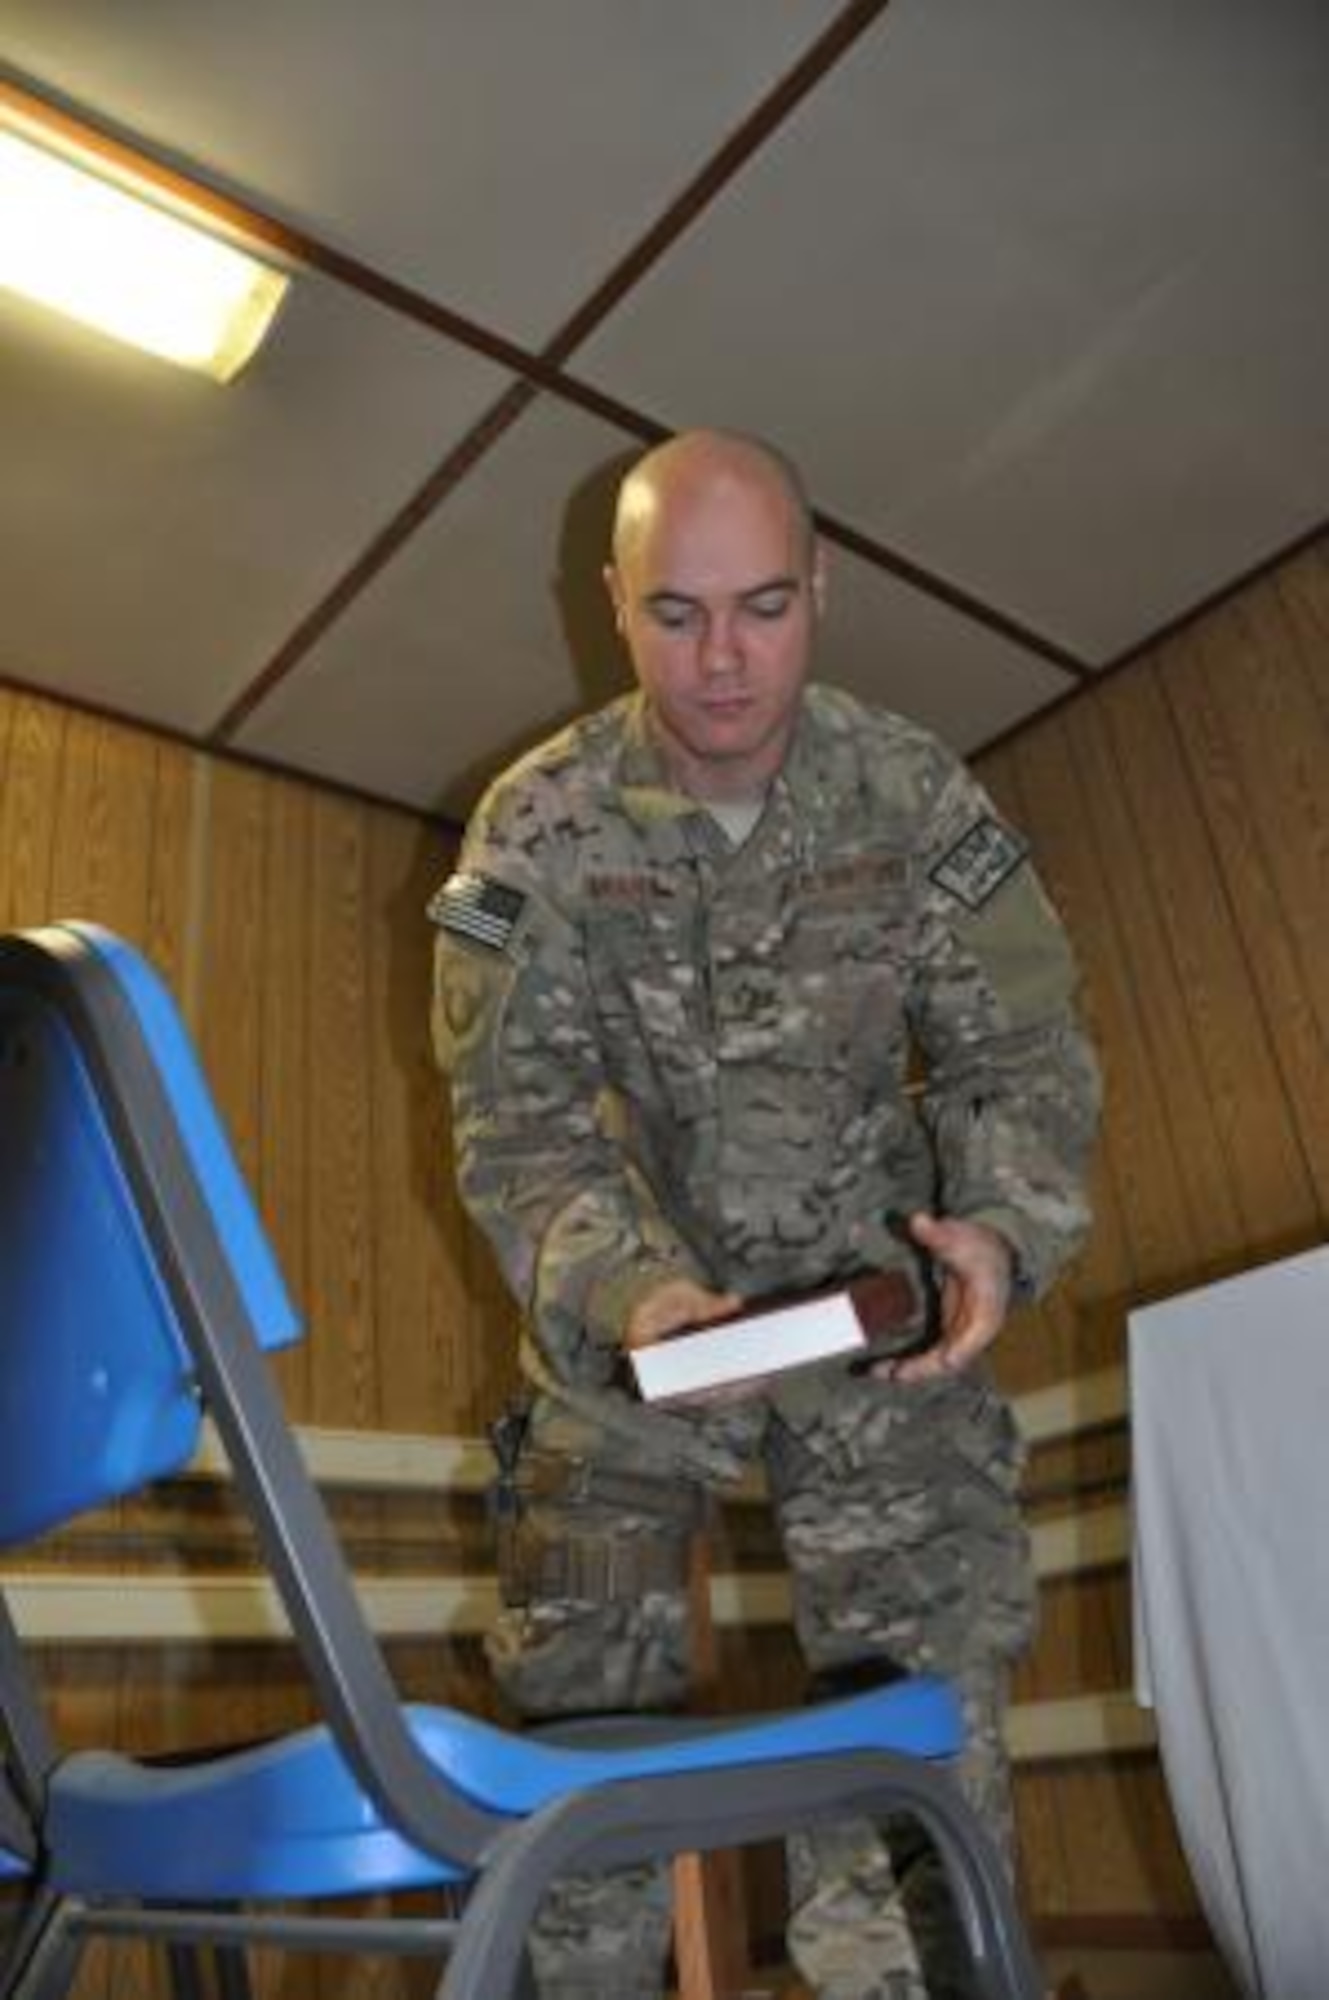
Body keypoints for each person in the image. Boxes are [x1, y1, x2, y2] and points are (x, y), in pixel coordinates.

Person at [429, 429, 1099, 2000]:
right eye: (676, 615)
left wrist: (995, 1232)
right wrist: (632, 1297)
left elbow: (1021, 1052)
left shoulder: (914, 795)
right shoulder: (532, 830)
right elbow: (513, 1124)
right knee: (573, 1708)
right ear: (611, 603)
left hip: (882, 1304)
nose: (723, 662)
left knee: (919, 1690)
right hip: (634, 1330)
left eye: (764, 606)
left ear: (825, 588)